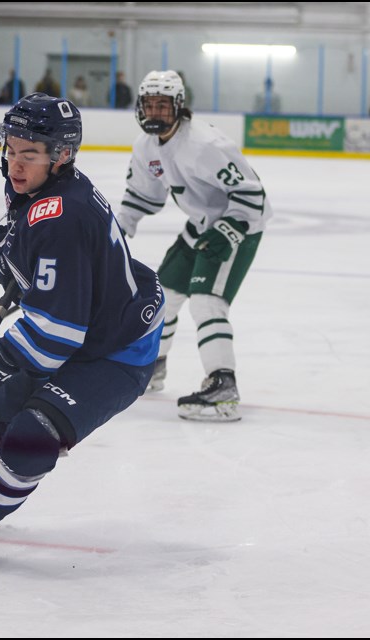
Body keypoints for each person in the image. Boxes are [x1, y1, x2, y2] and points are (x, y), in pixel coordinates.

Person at [0, 93, 165, 564]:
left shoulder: (62, 216)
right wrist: (19, 268)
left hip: (116, 348)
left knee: (32, 434)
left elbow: (57, 335)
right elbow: (56, 285)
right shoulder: (33, 189)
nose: (16, 163)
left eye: (30, 154)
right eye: (12, 149)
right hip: (86, 320)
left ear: (61, 156)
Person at [115, 70, 272, 422]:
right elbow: (141, 196)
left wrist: (229, 230)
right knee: (163, 296)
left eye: (163, 105)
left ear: (179, 107)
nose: (155, 112)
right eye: (149, 104)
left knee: (206, 302)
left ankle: (223, 385)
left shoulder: (205, 145)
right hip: (200, 226)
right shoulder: (145, 147)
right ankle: (150, 366)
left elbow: (253, 196)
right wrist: (114, 233)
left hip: (239, 225)